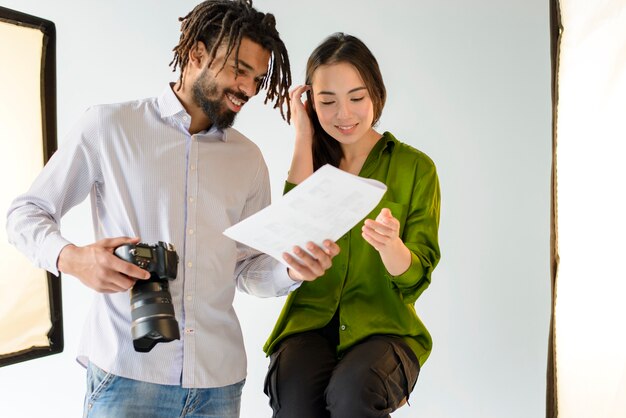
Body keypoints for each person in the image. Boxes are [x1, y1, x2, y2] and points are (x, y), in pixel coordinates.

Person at [5, 1, 339, 417]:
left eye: (256, 78)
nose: (249, 90)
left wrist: (291, 270)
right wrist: (72, 258)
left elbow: (247, 269)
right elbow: (25, 213)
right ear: (196, 53)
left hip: (219, 384)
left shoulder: (248, 159)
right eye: (239, 70)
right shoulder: (109, 127)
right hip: (128, 375)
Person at [262, 33, 441, 418]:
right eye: (328, 102)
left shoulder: (415, 168)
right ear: (312, 103)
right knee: (295, 402)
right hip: (309, 324)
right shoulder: (313, 163)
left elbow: (416, 278)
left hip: (385, 328)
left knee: (352, 393)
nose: (344, 114)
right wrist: (303, 134)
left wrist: (393, 247)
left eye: (357, 98)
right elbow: (291, 239)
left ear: (376, 93)